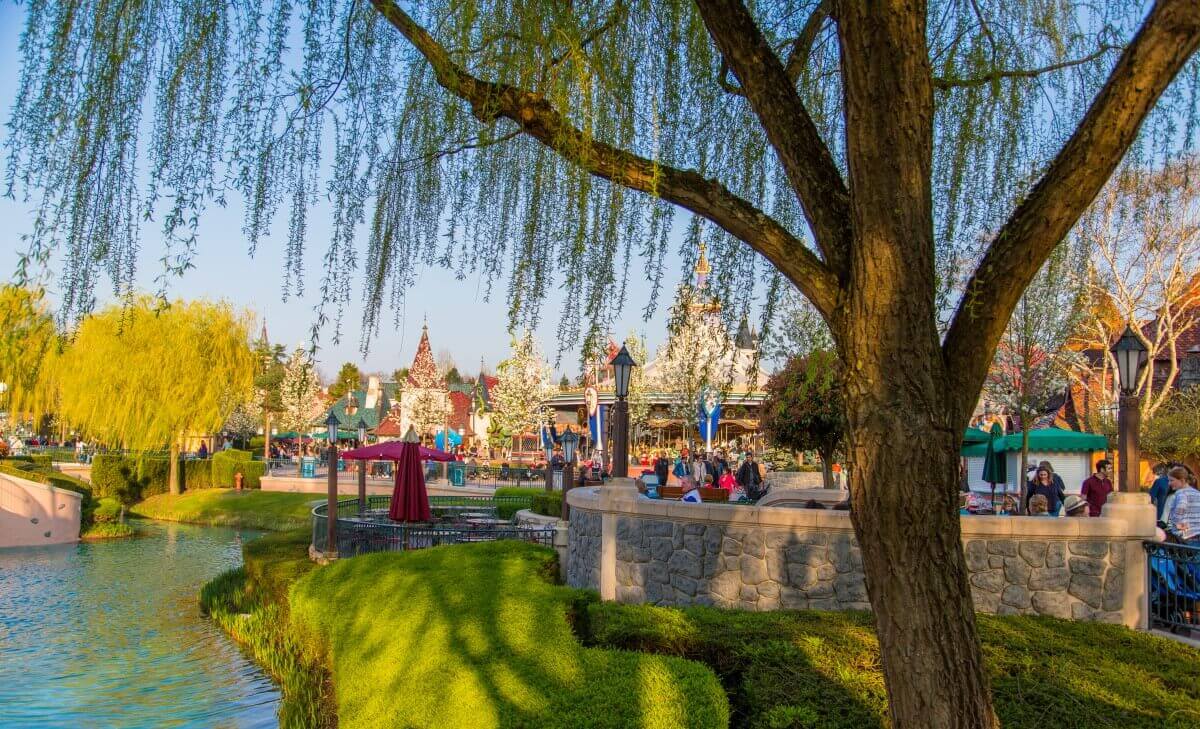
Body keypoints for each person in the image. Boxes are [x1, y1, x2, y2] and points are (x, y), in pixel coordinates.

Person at [1164, 465, 1200, 545]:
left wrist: (1177, 524)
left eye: (1172, 480)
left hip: (1183, 538)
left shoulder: (1181, 492)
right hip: (1197, 536)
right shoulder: (1197, 493)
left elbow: (1181, 507)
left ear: (1182, 480)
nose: (1169, 483)